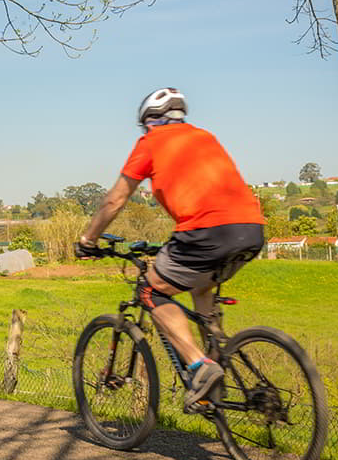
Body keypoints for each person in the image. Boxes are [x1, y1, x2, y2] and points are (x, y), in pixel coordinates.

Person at [75, 87, 266, 409]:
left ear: (149, 121)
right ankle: (216, 372)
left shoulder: (150, 143)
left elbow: (115, 200)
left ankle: (200, 366)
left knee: (151, 291)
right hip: (250, 229)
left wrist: (88, 240)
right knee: (202, 289)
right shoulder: (205, 137)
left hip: (205, 231)